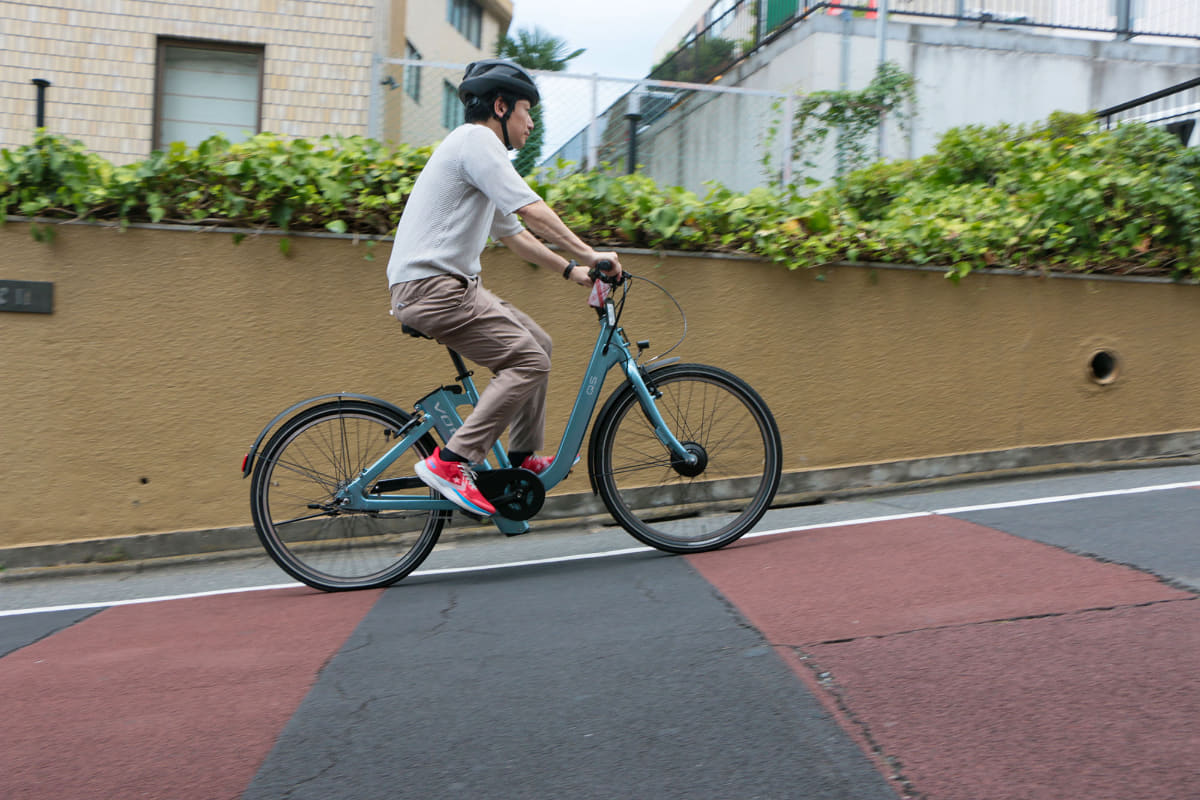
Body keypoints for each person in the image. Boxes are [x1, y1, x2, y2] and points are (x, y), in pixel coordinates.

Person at [386, 58, 623, 518]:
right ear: (499, 106)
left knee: (539, 344)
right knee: (527, 360)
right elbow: (533, 210)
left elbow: (514, 234)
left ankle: (522, 458)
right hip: (434, 289)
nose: (531, 122)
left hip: (450, 286)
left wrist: (572, 270)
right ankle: (452, 463)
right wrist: (593, 254)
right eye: (525, 110)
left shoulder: (473, 155)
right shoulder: (477, 142)